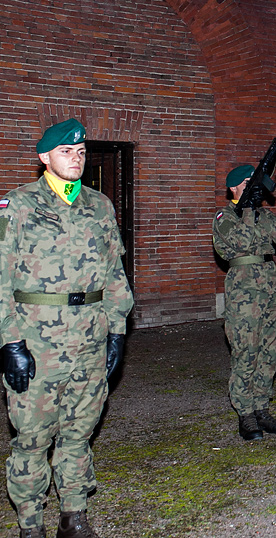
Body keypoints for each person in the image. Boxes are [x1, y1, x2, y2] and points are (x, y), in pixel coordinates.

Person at [1, 119, 134, 538]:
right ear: (44, 157)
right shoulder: (18, 205)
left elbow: (115, 272)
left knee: (79, 431)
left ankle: (73, 516)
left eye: (79, 153)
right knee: (33, 436)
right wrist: (10, 341)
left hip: (90, 337)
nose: (75, 159)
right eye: (65, 152)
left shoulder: (100, 205)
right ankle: (30, 524)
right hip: (37, 339)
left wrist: (117, 330)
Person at [213, 163, 276, 441]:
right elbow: (242, 240)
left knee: (270, 348)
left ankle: (262, 406)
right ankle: (245, 412)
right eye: (247, 182)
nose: (252, 187)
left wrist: (258, 214)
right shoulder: (225, 215)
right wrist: (249, 213)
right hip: (243, 285)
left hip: (269, 284)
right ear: (234, 187)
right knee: (245, 349)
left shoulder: (262, 214)